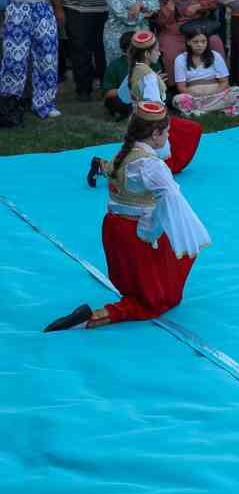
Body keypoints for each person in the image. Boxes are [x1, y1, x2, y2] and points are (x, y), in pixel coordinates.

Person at [45, 102, 211, 332]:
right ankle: (92, 318)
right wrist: (152, 231)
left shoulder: (124, 152)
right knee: (155, 301)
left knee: (142, 285)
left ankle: (121, 301)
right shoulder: (151, 165)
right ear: (155, 134)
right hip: (136, 233)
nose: (169, 135)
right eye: (167, 132)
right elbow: (170, 197)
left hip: (114, 229)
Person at [0, 0, 72, 123]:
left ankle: (44, 104)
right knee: (14, 59)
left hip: (43, 13)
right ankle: (10, 105)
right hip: (17, 13)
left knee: (46, 58)